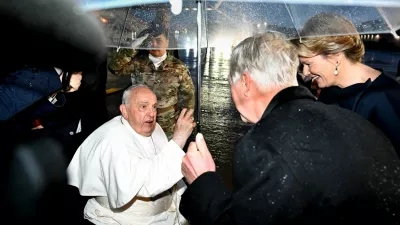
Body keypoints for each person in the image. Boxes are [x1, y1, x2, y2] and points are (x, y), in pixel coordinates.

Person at [178, 32, 400, 225]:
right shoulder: (353, 121)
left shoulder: (263, 144)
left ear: (246, 83)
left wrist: (202, 182)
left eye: (230, 83)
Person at [67, 84, 196, 225]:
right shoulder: (112, 139)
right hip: (121, 220)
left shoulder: (156, 128)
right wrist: (179, 139)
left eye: (154, 107)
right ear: (125, 111)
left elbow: (166, 170)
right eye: (143, 107)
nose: (151, 113)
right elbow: (148, 184)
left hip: (164, 217)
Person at [293, 13, 400, 157]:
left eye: (308, 64)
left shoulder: (386, 100)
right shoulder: (328, 91)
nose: (305, 73)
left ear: (335, 55)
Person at [108, 25, 195, 140]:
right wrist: (131, 48)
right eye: (150, 41)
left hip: (168, 126)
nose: (154, 44)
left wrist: (185, 122)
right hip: (140, 122)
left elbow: (188, 96)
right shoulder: (137, 63)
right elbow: (114, 68)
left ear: (167, 43)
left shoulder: (178, 67)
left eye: (158, 41)